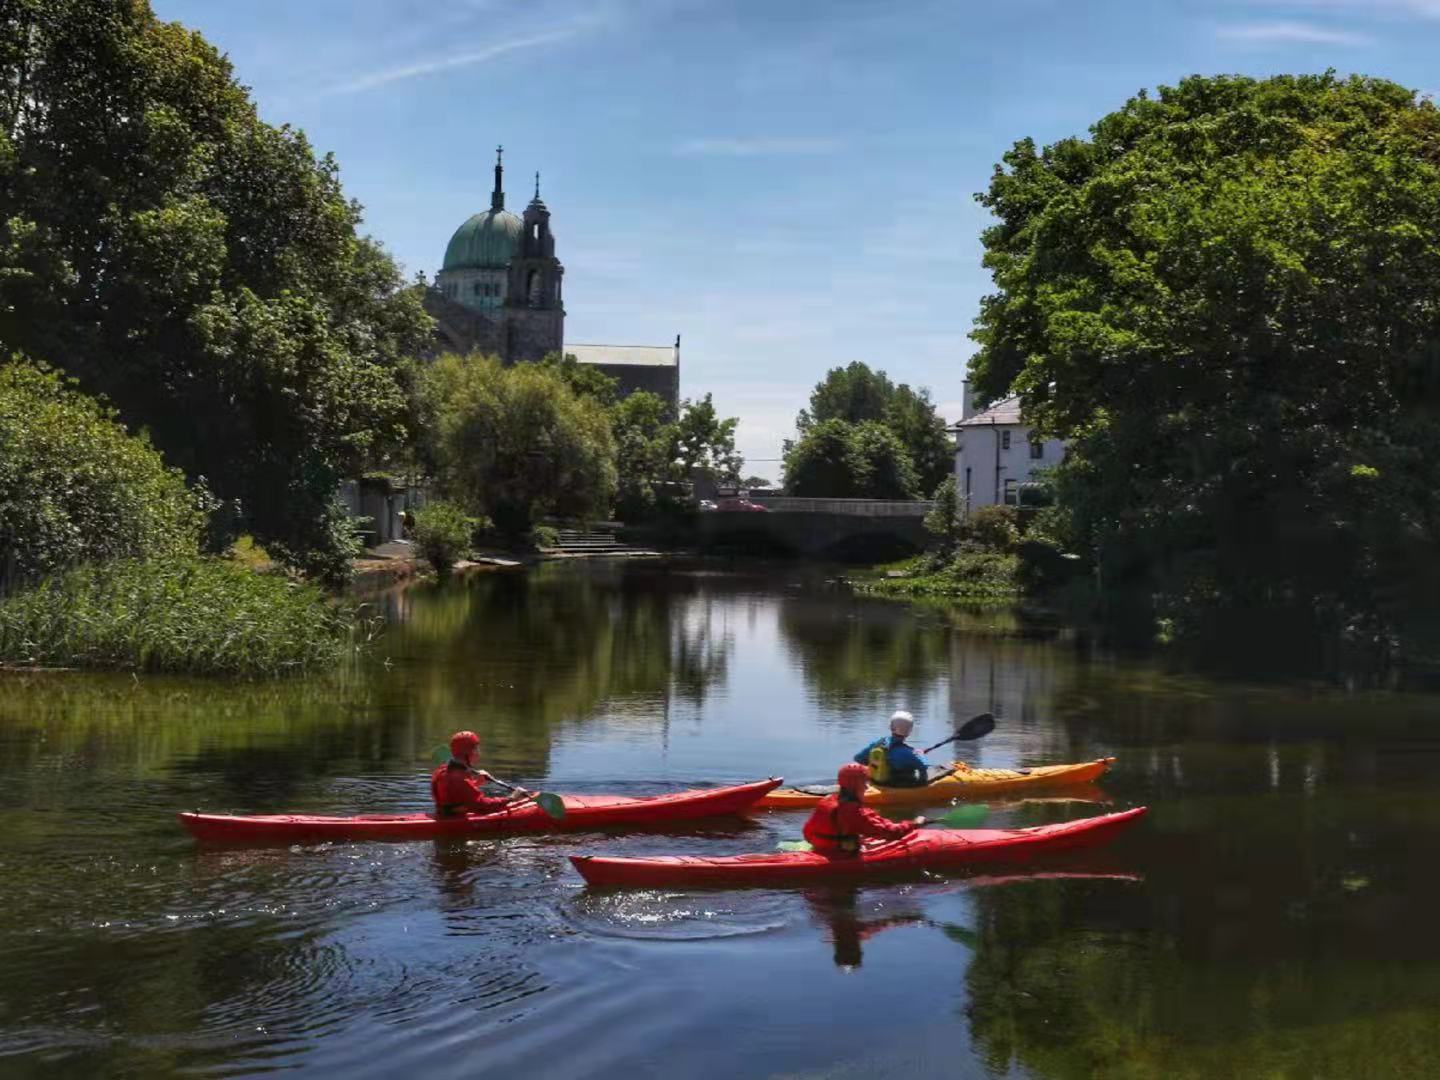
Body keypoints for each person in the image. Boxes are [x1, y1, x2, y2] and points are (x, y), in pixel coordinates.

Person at [802, 763, 924, 856]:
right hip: (838, 853)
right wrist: (914, 823)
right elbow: (889, 832)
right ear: (856, 785)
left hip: (818, 846)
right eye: (864, 782)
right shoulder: (855, 812)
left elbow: (807, 832)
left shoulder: (827, 800)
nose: (866, 786)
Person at [430, 730, 527, 818]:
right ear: (470, 752)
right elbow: (482, 806)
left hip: (446, 815)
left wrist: (476, 783)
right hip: (454, 822)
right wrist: (511, 798)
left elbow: (453, 794)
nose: (478, 752)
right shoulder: (460, 779)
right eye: (476, 748)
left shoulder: (442, 770)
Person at [853, 710, 930, 787]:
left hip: (875, 782)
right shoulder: (909, 753)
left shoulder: (877, 743)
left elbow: (858, 758)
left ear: (891, 727)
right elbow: (923, 766)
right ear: (909, 731)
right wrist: (921, 754)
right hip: (895, 786)